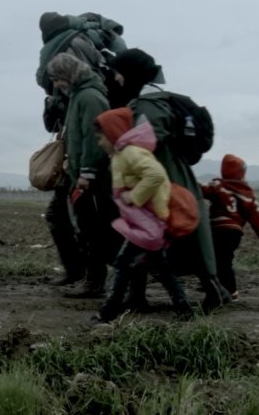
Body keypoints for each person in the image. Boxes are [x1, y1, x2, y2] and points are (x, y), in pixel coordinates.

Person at [109, 48, 231, 313]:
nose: (116, 78)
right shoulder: (159, 100)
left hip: (163, 178)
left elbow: (150, 140)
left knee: (172, 234)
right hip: (171, 175)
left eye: (119, 73)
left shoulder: (146, 106)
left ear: (131, 74)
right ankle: (139, 295)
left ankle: (213, 291)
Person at [92, 108, 194, 322]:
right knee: (160, 267)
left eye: (101, 137)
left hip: (148, 221)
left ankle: (108, 313)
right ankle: (184, 309)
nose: (99, 143)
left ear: (112, 133)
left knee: (123, 264)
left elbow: (155, 174)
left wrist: (133, 196)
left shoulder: (130, 153)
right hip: (146, 221)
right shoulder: (122, 154)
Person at [45, 52, 122, 298]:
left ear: (68, 74)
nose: (56, 84)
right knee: (89, 230)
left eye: (57, 78)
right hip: (82, 175)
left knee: (94, 231)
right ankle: (96, 279)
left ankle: (96, 282)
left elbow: (94, 138)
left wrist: (87, 172)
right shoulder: (80, 96)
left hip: (93, 178)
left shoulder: (89, 97)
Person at [201, 154, 259, 301]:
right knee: (225, 260)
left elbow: (202, 190)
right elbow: (255, 213)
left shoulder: (218, 186)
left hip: (218, 230)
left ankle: (229, 291)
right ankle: (222, 288)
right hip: (235, 233)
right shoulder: (247, 192)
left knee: (218, 260)